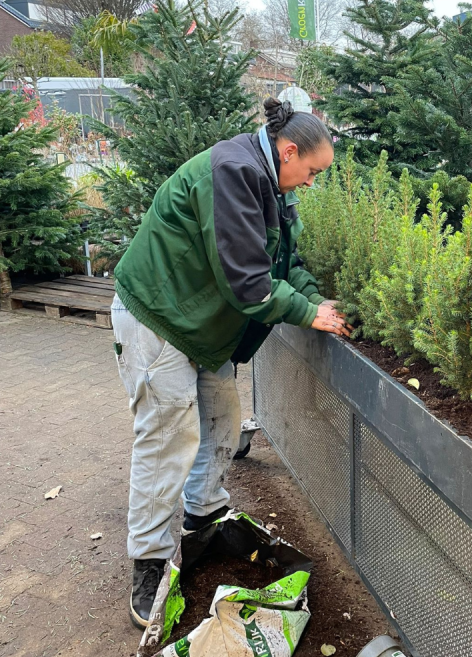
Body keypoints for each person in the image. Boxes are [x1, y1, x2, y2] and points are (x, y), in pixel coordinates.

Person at [110, 98, 350, 628]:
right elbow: (248, 282)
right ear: (289, 152)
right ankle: (149, 563)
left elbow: (284, 262)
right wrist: (306, 313)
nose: (312, 183)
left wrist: (319, 302)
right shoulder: (233, 173)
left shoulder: (271, 181)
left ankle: (204, 514)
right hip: (158, 318)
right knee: (166, 441)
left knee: (221, 418)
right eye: (312, 172)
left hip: (199, 322)